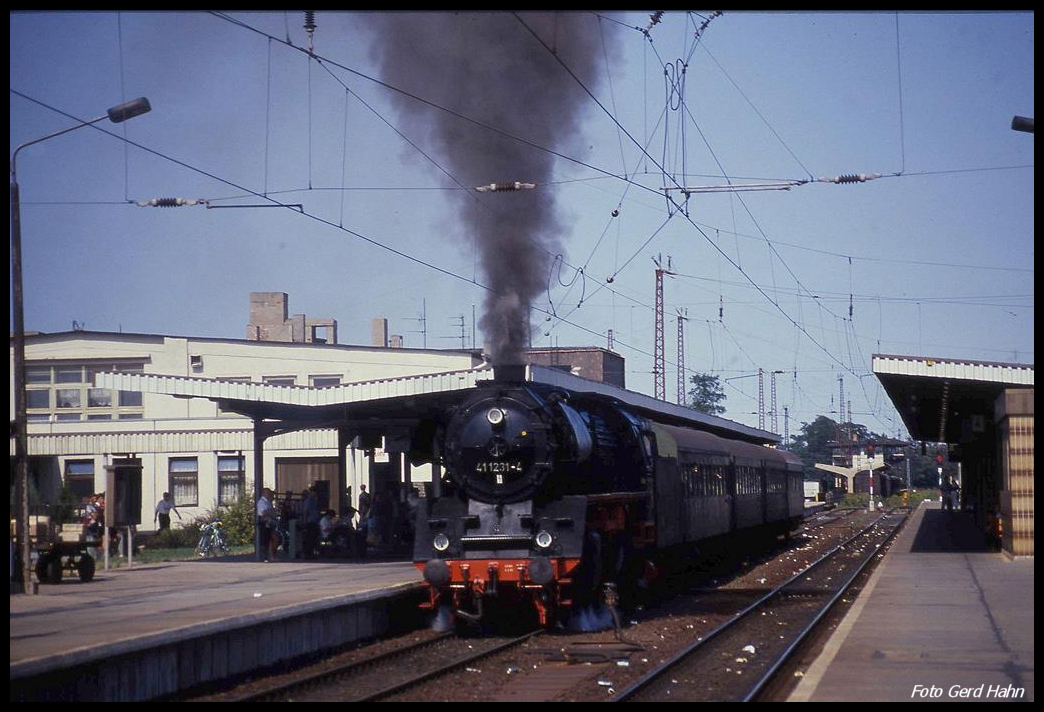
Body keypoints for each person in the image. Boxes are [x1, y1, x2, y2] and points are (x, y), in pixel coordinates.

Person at [257, 487, 279, 562]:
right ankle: (265, 557)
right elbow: (263, 513)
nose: (269, 494)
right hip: (264, 523)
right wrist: (270, 513)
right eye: (268, 493)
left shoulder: (268, 502)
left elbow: (272, 512)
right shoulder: (261, 502)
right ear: (264, 493)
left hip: (270, 523)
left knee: (272, 539)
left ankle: (271, 556)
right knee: (266, 540)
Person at [302, 487, 320, 559]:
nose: (315, 494)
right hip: (310, 522)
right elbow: (305, 512)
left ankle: (311, 552)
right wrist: (305, 522)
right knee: (309, 538)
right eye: (314, 492)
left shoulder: (314, 501)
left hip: (315, 521)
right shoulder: (308, 501)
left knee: (313, 538)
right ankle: (307, 553)